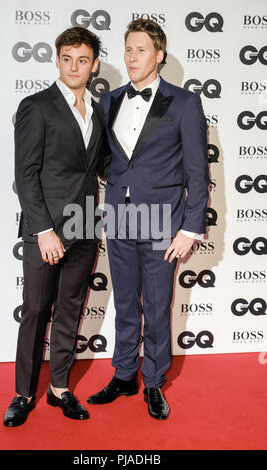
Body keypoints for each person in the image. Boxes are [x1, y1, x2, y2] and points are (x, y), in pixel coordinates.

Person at [87, 19, 209, 420]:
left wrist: (190, 228)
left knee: (157, 307)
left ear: (158, 55)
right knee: (124, 303)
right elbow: (107, 159)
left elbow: (197, 172)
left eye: (140, 50)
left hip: (163, 222)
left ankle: (153, 381)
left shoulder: (185, 103)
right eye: (127, 50)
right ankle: (124, 375)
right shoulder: (109, 101)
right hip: (120, 218)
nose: (132, 57)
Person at [4, 26, 108, 426]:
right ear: (58, 60)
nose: (74, 66)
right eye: (67, 58)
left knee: (69, 309)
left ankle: (60, 388)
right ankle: (22, 393)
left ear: (93, 65)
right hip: (45, 230)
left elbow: (98, 167)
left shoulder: (98, 110)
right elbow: (26, 174)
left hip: (84, 226)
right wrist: (44, 230)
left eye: (82, 60)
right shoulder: (37, 106)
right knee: (35, 311)